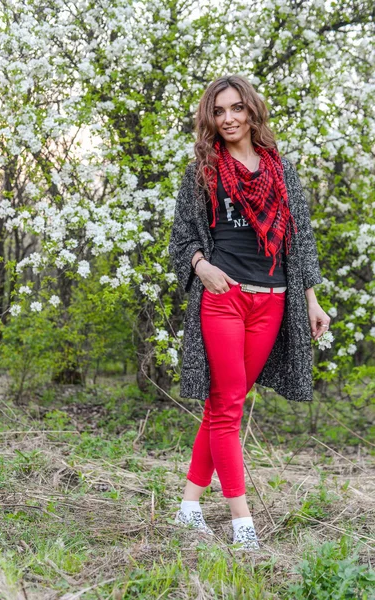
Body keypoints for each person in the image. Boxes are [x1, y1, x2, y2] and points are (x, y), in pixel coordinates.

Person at [168, 75, 331, 551]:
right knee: (229, 403)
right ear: (210, 119)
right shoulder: (203, 171)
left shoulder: (281, 171)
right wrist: (202, 267)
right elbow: (182, 238)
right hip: (225, 297)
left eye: (237, 108)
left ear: (252, 112)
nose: (229, 119)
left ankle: (188, 507)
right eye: (219, 112)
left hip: (273, 300)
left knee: (224, 404)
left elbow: (299, 241)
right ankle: (242, 521)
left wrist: (311, 299)